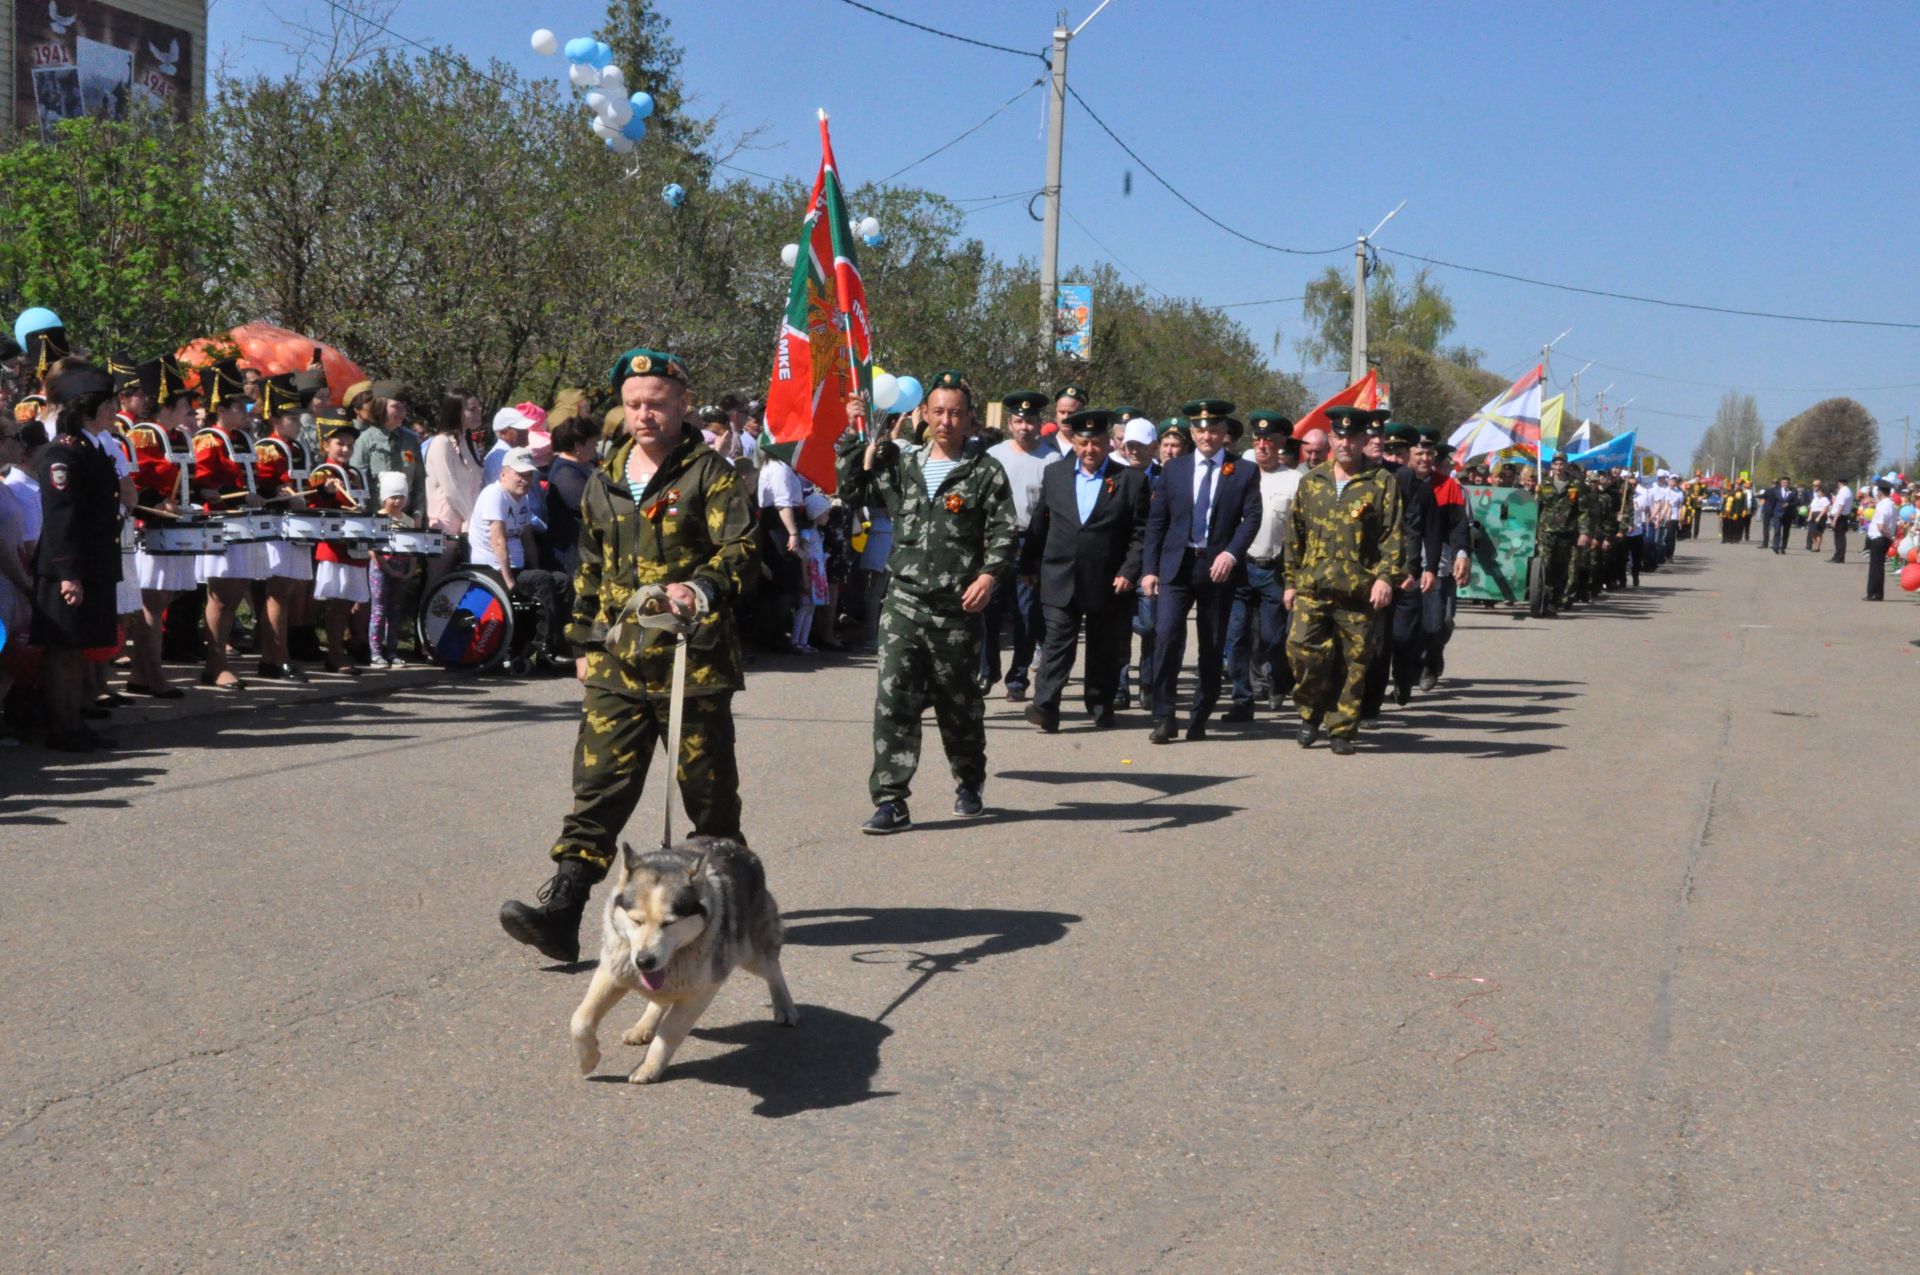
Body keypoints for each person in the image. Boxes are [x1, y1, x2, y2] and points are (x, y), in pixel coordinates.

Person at [499, 348, 757, 963]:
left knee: (709, 797)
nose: (645, 415)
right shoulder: (605, 477)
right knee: (598, 788)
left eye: (658, 404)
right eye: (635, 404)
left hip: (690, 664)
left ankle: (735, 912)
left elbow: (741, 551)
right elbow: (587, 568)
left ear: (683, 404)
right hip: (619, 662)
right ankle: (562, 910)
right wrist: (585, 643)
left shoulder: (709, 474)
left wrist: (700, 589)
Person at [839, 370, 1016, 834]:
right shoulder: (902, 465)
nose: (946, 420)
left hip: (957, 610)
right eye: (938, 411)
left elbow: (1003, 531)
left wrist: (987, 576)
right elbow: (852, 490)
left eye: (956, 412)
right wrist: (854, 435)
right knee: (893, 700)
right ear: (924, 414)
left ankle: (969, 781)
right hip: (904, 602)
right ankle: (891, 800)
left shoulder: (984, 471)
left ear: (971, 420)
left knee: (957, 704)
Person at [1018, 407, 1150, 731]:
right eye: (1082, 443)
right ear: (1073, 443)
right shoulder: (1056, 475)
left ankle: (1100, 703)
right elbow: (1040, 523)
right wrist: (1028, 564)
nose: (1089, 450)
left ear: (1108, 443)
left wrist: (1129, 571)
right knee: (1056, 645)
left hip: (1107, 581)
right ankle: (1045, 706)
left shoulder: (1130, 480)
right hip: (1059, 575)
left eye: (1096, 442)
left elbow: (1141, 532)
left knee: (1103, 648)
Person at [1139, 398, 1262, 744]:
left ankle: (1200, 716)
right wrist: (1149, 570)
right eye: (1200, 429)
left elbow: (1251, 518)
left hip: (1217, 569)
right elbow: (1156, 524)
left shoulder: (1243, 471)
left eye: (1214, 429)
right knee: (1165, 636)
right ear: (1192, 433)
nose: (1207, 435)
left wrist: (1232, 554)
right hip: (1177, 567)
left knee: (1211, 644)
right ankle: (1164, 716)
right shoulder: (1174, 470)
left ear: (1224, 433)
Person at [1284, 409, 1403, 755]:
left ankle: (1341, 729)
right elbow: (1295, 535)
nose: (1346, 443)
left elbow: (1392, 536)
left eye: (1353, 438)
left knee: (1354, 663)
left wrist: (1385, 578)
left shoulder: (1381, 481)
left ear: (1365, 441)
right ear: (1331, 439)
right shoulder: (1312, 482)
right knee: (1302, 651)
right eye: (1340, 437)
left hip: (1358, 591)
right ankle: (1310, 712)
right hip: (1313, 588)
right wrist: (1290, 581)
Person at [31, 363, 123, 751]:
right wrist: (70, 573)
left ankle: (75, 722)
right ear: (89, 408)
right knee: (64, 651)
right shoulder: (62, 455)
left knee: (77, 649)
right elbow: (60, 519)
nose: (115, 410)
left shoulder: (90, 448)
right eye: (109, 404)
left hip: (92, 564)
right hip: (67, 569)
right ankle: (63, 728)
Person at [192, 359, 267, 690]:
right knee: (221, 596)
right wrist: (229, 496)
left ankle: (219, 658)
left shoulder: (243, 438)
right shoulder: (209, 438)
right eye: (239, 405)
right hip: (222, 521)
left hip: (244, 522)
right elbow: (203, 483)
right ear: (221, 408)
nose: (245, 411)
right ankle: (216, 661)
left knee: (235, 594)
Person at [981, 388, 1061, 702]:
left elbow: (1052, 509)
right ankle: (987, 671)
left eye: (1030, 420)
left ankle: (1018, 679)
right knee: (987, 608)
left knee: (1027, 614)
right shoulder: (995, 455)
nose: (1024, 426)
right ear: (1009, 423)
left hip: (1032, 543)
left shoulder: (1052, 458)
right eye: (1018, 420)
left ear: (1039, 422)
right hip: (997, 541)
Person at [1223, 413, 1300, 718]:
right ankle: (1243, 697)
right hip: (1241, 566)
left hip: (1275, 569)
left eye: (1269, 440)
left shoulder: (1295, 480)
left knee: (1273, 636)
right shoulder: (1239, 474)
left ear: (1281, 443)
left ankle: (1280, 681)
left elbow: (1299, 533)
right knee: (1237, 635)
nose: (1262, 446)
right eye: (1257, 440)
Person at [468, 446, 571, 664]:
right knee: (541, 581)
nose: (525, 480)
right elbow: (498, 541)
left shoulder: (522, 500)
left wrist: (534, 567)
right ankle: (545, 647)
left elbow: (527, 539)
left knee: (560, 580)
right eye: (520, 475)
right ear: (503, 474)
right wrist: (509, 581)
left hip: (517, 565)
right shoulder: (494, 495)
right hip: (493, 569)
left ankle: (560, 644)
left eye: (529, 475)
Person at [251, 376, 315, 682]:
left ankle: (277, 656)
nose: (298, 423)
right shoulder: (269, 447)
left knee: (287, 594)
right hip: (278, 526)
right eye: (290, 418)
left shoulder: (296, 446)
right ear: (274, 419)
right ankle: (274, 657)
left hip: (296, 525)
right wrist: (283, 492)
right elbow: (261, 487)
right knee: (277, 594)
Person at [306, 411, 371, 673]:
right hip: (334, 546)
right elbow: (313, 506)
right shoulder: (323, 473)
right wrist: (326, 493)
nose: (345, 449)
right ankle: (334, 654)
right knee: (337, 602)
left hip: (354, 545)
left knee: (347, 602)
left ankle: (341, 650)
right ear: (326, 446)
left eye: (349, 445)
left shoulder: (352, 473)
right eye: (339, 444)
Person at [423, 390, 485, 590]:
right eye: (471, 409)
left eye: (479, 408)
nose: (478, 413)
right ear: (456, 411)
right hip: (445, 523)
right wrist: (472, 519)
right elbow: (449, 489)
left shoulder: (468, 443)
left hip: (467, 522)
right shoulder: (440, 443)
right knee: (438, 581)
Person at [543, 415, 598, 575]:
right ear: (578, 445)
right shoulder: (565, 473)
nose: (596, 445)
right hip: (570, 555)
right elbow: (589, 506)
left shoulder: (582, 466)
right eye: (592, 442)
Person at [1534, 455, 1583, 613]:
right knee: (1545, 566)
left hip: (1566, 532)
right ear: (1552, 466)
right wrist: (1533, 531)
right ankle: (1543, 600)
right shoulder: (1544, 484)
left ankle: (1556, 601)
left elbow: (1583, 511)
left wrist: (1585, 533)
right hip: (1546, 532)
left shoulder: (1575, 485)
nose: (1558, 466)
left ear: (1566, 465)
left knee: (1560, 568)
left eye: (1561, 463)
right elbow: (1537, 507)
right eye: (1555, 464)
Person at [1863, 480, 1897, 600]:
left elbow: (1881, 526)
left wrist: (1891, 538)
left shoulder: (1885, 505)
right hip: (1879, 538)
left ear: (1880, 492)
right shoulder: (1887, 504)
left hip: (1879, 538)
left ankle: (1874, 593)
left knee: (1876, 567)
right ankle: (1876, 592)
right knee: (1877, 566)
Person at [1760, 476, 1795, 554]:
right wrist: (1770, 512)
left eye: (1787, 483)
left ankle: (1783, 547)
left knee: (1786, 532)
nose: (1785, 484)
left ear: (1789, 484)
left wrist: (1789, 504)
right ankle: (1776, 546)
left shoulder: (1793, 492)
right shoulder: (1776, 491)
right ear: (1781, 483)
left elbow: (1796, 502)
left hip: (1788, 515)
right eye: (1784, 483)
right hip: (1777, 514)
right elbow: (1772, 502)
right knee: (1777, 530)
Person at [1828, 479, 1855, 562]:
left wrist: (1835, 519)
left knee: (1839, 538)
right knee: (1839, 537)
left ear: (1839, 482)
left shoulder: (1843, 492)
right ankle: (1838, 555)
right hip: (1842, 516)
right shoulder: (1848, 491)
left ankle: (1839, 557)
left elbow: (1841, 506)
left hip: (1840, 516)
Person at [1806, 481, 1831, 554]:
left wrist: (1819, 517)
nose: (1818, 493)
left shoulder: (1825, 499)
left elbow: (1825, 509)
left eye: (1820, 492)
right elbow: (1811, 508)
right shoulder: (1815, 499)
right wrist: (1810, 516)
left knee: (1818, 532)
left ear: (1823, 493)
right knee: (1812, 532)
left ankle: (1817, 547)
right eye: (1817, 492)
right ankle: (1815, 544)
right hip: (1813, 515)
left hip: (1820, 515)